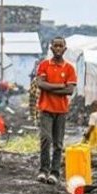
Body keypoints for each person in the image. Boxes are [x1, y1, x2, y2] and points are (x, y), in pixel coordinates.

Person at [36, 37, 77, 185]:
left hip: (61, 110)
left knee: (58, 143)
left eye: (61, 46)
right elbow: (40, 84)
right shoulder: (44, 65)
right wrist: (60, 86)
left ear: (65, 49)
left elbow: (70, 90)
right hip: (46, 109)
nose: (58, 48)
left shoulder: (69, 68)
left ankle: (54, 173)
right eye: (55, 46)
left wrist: (50, 87)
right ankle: (43, 170)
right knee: (46, 139)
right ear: (51, 48)